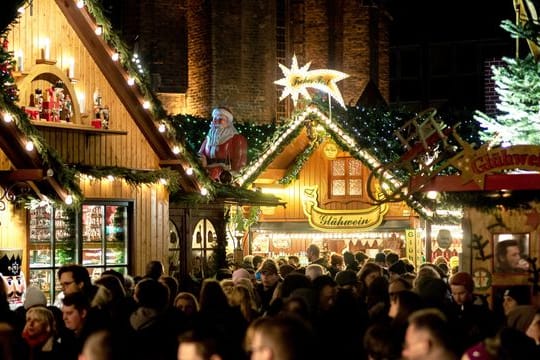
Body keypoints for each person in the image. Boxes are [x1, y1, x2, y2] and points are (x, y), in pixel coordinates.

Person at [198, 107, 248, 182]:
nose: (216, 121)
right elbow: (200, 154)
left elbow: (240, 160)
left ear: (228, 122)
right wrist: (202, 160)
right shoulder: (208, 139)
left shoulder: (236, 139)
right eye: (214, 118)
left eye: (220, 119)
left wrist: (233, 174)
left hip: (224, 176)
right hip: (206, 174)